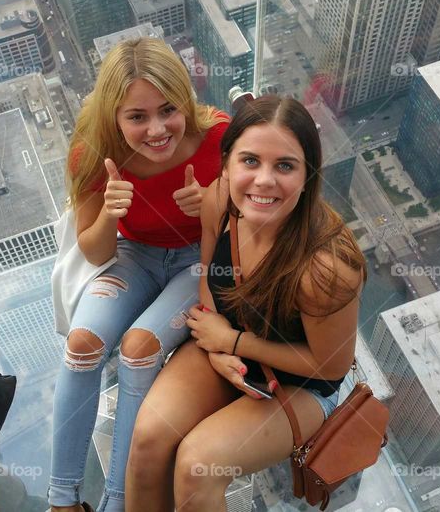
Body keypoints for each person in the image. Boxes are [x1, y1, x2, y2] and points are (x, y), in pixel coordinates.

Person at [125, 95, 367, 511]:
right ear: (227, 164)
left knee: (198, 465)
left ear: (308, 176)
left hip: (301, 385)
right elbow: (207, 275)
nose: (264, 180)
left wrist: (234, 344)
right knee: (147, 438)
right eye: (250, 161)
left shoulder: (326, 268)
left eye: (285, 166)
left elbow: (329, 366)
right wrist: (218, 347)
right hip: (225, 342)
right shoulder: (220, 202)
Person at [49, 37, 229, 512]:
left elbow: (256, 224)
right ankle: (61, 499)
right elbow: (94, 250)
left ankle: (117, 501)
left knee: (138, 349)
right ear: (115, 116)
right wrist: (109, 213)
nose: (156, 129)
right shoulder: (92, 154)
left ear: (185, 99)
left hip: (198, 259)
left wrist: (213, 203)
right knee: (82, 344)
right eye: (137, 117)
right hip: (134, 255)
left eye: (168, 109)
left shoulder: (221, 139)